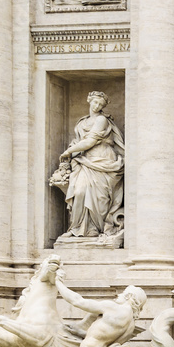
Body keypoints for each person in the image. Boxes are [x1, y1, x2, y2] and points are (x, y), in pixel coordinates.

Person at [56, 91, 125, 239]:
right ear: (89, 100)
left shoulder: (102, 120)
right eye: (95, 102)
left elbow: (90, 142)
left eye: (101, 104)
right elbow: (81, 141)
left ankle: (94, 229)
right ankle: (76, 228)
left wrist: (68, 151)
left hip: (102, 159)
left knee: (99, 197)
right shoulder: (82, 122)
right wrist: (73, 149)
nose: (97, 106)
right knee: (79, 191)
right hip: (85, 161)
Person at [55, 278, 146, 347]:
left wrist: (58, 283)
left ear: (128, 296)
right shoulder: (131, 325)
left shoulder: (113, 308)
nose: (119, 294)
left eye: (123, 293)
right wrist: (80, 332)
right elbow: (104, 339)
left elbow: (78, 301)